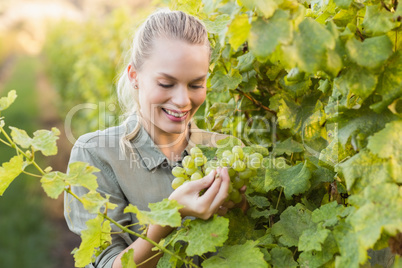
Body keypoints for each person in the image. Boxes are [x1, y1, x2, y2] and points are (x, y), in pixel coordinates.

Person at [64, 9, 244, 268]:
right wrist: (171, 216)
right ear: (134, 77)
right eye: (166, 84)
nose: (183, 100)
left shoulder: (225, 149)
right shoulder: (95, 154)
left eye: (196, 85)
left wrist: (242, 207)